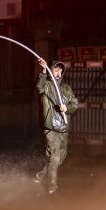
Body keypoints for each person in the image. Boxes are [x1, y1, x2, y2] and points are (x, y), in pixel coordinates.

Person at [34, 58, 79, 194]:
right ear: (50, 71)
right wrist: (43, 70)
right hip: (50, 127)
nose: (58, 72)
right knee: (55, 156)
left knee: (61, 155)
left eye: (60, 70)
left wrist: (67, 108)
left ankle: (41, 174)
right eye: (55, 69)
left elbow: (75, 104)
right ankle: (52, 184)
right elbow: (39, 86)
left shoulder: (66, 88)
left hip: (63, 128)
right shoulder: (46, 86)